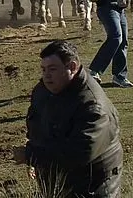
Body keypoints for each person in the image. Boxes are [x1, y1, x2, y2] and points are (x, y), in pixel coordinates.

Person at [15, 40, 123, 198]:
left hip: (92, 186)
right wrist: (34, 156)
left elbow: (79, 154)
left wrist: (31, 156)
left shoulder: (93, 106)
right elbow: (36, 124)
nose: (46, 75)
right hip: (59, 180)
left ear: (72, 67)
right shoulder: (44, 91)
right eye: (43, 69)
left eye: (52, 69)